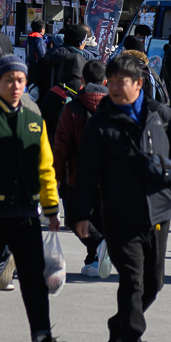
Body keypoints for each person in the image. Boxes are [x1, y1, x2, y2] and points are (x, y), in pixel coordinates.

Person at [72, 53, 171, 342]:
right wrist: (81, 215)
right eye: (109, 82)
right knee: (132, 280)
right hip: (120, 216)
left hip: (159, 214)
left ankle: (119, 324)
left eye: (120, 82)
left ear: (138, 84)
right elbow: (86, 172)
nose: (113, 87)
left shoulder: (161, 115)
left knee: (154, 282)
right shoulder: (100, 124)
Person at [0, 54, 72, 342]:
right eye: (8, 80)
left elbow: (46, 167)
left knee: (34, 278)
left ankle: (42, 338)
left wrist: (51, 207)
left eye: (20, 81)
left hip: (27, 213)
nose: (14, 86)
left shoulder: (34, 121)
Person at [53, 60, 109, 271]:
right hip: (109, 177)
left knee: (76, 219)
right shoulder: (117, 107)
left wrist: (55, 178)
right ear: (105, 81)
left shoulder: (72, 108)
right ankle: (95, 259)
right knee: (100, 220)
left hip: (78, 176)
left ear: (82, 81)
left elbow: (61, 148)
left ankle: (97, 252)